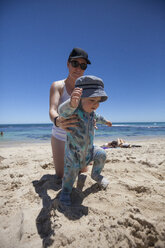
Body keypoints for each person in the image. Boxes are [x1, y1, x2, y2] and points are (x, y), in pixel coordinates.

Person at [58, 75, 112, 206]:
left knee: (102, 154)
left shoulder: (92, 113)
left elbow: (98, 117)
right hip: (74, 155)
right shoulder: (73, 111)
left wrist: (106, 122)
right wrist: (71, 103)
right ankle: (65, 192)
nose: (96, 104)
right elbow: (61, 112)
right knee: (69, 175)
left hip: (89, 151)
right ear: (80, 99)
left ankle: (96, 175)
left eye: (98, 101)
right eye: (92, 100)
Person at [49, 48, 91, 181]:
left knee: (83, 172)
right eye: (75, 63)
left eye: (82, 65)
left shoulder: (86, 89)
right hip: (60, 136)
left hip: (80, 139)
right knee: (62, 176)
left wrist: (91, 120)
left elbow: (89, 109)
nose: (78, 68)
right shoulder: (58, 86)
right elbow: (52, 110)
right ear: (68, 64)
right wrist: (58, 121)